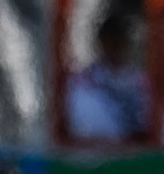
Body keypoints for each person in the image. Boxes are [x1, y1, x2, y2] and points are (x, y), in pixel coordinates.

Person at [63, 14, 152, 147]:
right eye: (110, 39)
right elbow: (80, 126)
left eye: (120, 39)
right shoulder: (82, 83)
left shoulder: (144, 84)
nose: (115, 45)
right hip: (94, 154)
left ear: (127, 42)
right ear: (101, 42)